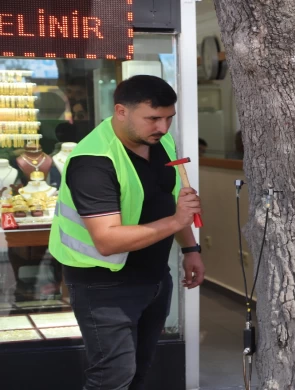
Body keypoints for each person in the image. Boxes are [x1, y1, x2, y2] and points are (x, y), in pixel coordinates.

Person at [48, 75, 206, 390]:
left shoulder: (160, 141)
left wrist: (190, 249)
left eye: (168, 118)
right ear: (121, 111)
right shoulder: (93, 161)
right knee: (112, 378)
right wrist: (177, 223)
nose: (163, 127)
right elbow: (107, 241)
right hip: (104, 286)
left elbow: (171, 200)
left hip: (154, 278)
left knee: (139, 371)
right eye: (153, 118)